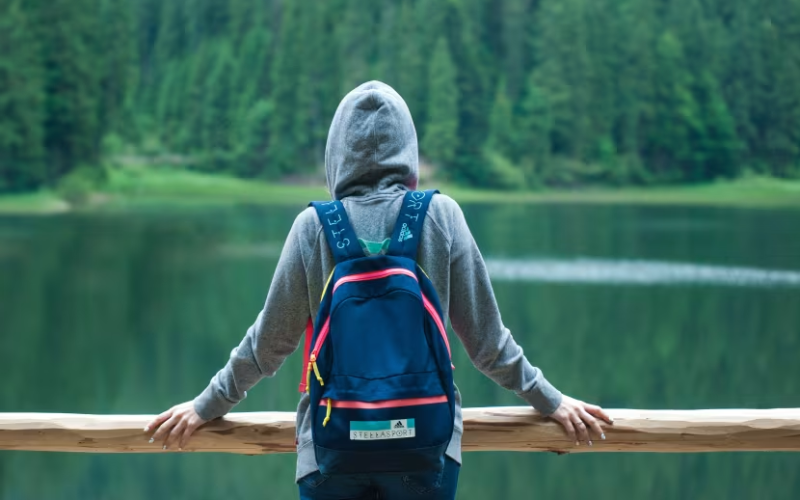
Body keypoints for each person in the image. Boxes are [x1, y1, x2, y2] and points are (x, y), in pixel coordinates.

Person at [145, 81, 612, 499]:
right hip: (424, 449)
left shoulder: (313, 227)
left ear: (335, 152)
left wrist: (206, 405)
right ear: (408, 148)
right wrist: (551, 400)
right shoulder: (441, 216)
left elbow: (268, 346)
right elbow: (488, 346)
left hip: (332, 451)